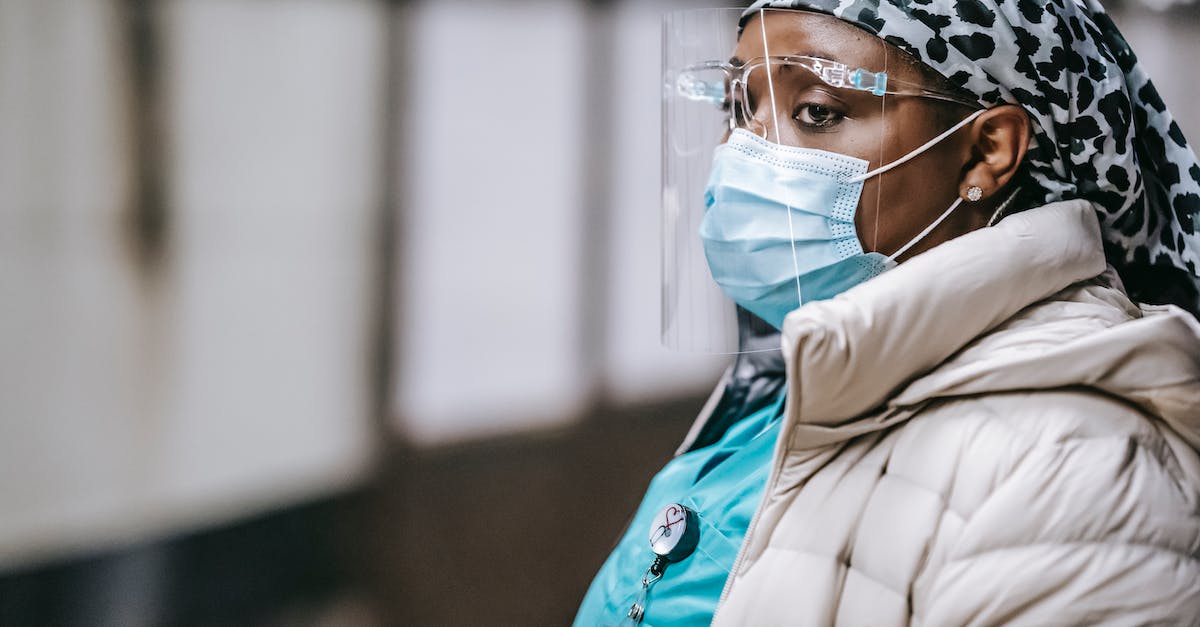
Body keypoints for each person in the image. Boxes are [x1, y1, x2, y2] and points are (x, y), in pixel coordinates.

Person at [574, 0, 1200, 625]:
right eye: (738, 107)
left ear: (987, 152)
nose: (742, 150)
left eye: (817, 111)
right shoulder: (794, 391)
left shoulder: (1074, 466)